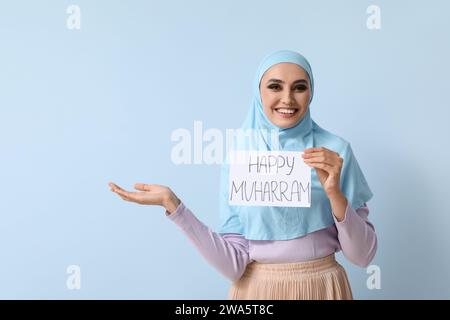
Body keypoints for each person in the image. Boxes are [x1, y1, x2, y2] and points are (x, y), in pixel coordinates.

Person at [109, 50, 377, 300]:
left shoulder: (335, 152)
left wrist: (335, 194)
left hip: (322, 287)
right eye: (275, 86)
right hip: (256, 291)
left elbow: (363, 256)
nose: (287, 99)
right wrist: (174, 206)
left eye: (299, 87)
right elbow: (233, 265)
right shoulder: (240, 156)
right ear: (258, 92)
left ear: (311, 92)